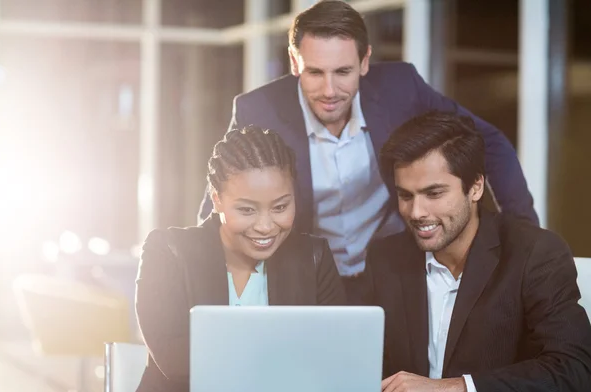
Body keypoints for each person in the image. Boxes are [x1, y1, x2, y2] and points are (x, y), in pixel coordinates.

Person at [197, 0, 538, 303]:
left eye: (343, 72)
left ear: (364, 61)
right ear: (294, 62)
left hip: (390, 270)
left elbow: (488, 142)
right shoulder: (258, 110)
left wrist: (524, 236)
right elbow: (220, 198)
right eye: (315, 72)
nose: (329, 90)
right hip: (306, 275)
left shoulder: (400, 88)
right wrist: (204, 276)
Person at [366, 111, 591, 392]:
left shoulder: (534, 253)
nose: (416, 212)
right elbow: (364, 364)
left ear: (475, 187)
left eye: (433, 194)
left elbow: (575, 372)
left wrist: (454, 388)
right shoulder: (385, 258)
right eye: (406, 195)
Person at [133, 126, 346, 392]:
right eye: (247, 210)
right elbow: (174, 359)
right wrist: (288, 352)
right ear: (217, 200)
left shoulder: (313, 257)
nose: (266, 227)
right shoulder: (168, 252)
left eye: (280, 207)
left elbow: (334, 357)